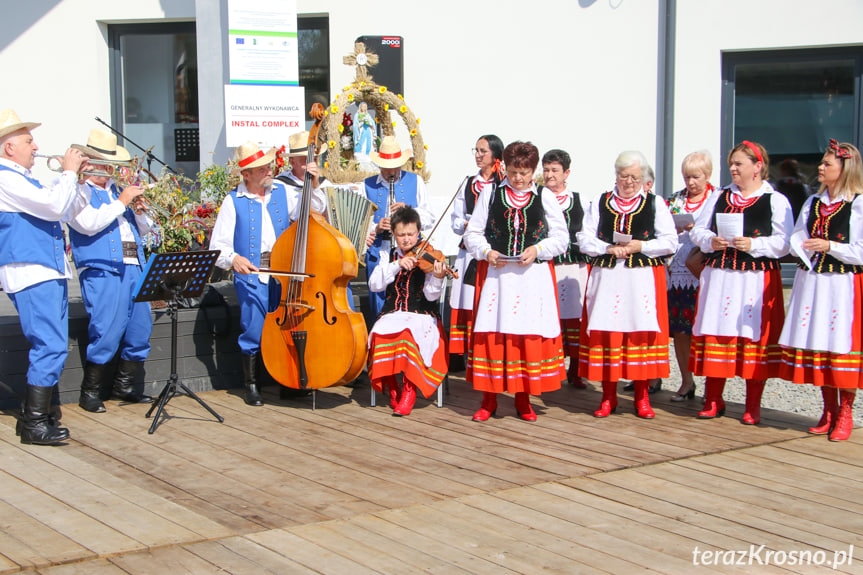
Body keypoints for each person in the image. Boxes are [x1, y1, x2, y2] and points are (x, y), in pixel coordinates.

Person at [209, 141, 327, 406]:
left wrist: (314, 185)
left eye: (268, 166)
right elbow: (218, 245)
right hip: (252, 273)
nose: (268, 171)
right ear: (246, 174)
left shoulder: (282, 191)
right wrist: (234, 259)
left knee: (287, 325)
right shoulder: (233, 201)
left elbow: (310, 212)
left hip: (284, 272)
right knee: (253, 327)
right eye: (261, 169)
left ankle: (287, 381)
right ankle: (252, 385)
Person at [0, 108, 89, 445]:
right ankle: (34, 421)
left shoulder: (22, 178)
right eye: (28, 140)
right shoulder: (5, 177)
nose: (35, 147)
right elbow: (53, 207)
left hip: (45, 268)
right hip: (30, 268)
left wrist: (75, 179)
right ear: (9, 148)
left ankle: (39, 414)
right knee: (49, 344)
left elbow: (68, 209)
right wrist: (67, 173)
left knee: (51, 342)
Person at [463, 141, 569, 422]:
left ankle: (524, 399)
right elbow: (472, 233)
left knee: (525, 336)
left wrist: (538, 250)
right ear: (505, 169)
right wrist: (486, 251)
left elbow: (561, 238)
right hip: (499, 278)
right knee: (495, 336)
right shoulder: (491, 193)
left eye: (524, 173)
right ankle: (489, 401)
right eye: (512, 172)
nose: (518, 179)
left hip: (532, 278)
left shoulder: (545, 197)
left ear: (533, 171)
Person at [689, 141, 793, 424]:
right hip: (721, 275)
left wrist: (754, 243)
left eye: (738, 163)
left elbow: (785, 243)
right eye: (731, 163)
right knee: (717, 330)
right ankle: (713, 399)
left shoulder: (775, 200)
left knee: (751, 337)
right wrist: (710, 240)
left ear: (757, 167)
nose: (733, 168)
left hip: (754, 278)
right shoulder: (720, 196)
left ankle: (753, 405)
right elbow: (697, 230)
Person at [577, 151, 678, 419]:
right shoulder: (600, 202)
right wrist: (608, 248)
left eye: (635, 177)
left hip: (641, 278)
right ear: (616, 176)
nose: (629, 182)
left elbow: (670, 241)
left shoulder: (655, 204)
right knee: (608, 335)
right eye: (624, 176)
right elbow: (584, 238)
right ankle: (608, 396)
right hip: (608, 277)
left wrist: (640, 245)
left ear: (643, 178)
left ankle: (642, 398)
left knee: (639, 334)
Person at [778, 140, 863, 441]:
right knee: (820, 343)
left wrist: (830, 246)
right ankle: (828, 410)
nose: (820, 168)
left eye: (827, 164)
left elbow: (861, 251)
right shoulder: (812, 201)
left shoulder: (858, 204)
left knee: (840, 345)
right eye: (822, 163)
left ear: (844, 169)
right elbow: (797, 236)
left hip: (841, 284)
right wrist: (799, 246)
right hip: (813, 280)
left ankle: (846, 412)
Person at [67, 129, 156, 413]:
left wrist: (141, 213)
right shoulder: (79, 192)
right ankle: (90, 391)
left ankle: (126, 386)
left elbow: (148, 235)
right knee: (106, 328)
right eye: (105, 164)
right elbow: (89, 224)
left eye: (111, 164)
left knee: (140, 327)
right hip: (103, 268)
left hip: (134, 265)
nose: (110, 170)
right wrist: (123, 202)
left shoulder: (118, 192)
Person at [367, 207, 448, 416]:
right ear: (393, 233)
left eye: (411, 234)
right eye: (401, 235)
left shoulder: (428, 256)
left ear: (419, 231)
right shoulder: (389, 255)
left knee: (406, 335)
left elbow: (431, 297)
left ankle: (409, 393)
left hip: (421, 315)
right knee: (378, 334)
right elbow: (374, 284)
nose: (406, 239)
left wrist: (438, 278)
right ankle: (392, 387)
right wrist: (396, 265)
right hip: (393, 313)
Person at [665, 150, 716, 402]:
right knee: (681, 330)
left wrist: (698, 229)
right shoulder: (674, 200)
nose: (690, 182)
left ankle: (713, 384)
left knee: (705, 330)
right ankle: (686, 381)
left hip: (704, 267)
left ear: (707, 175)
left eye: (695, 177)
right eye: (686, 177)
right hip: (678, 269)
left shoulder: (717, 199)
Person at [364, 135, 435, 317]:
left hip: (410, 248)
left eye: (395, 166)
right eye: (387, 167)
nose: (391, 171)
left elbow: (430, 217)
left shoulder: (416, 181)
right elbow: (359, 223)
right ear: (379, 165)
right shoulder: (366, 185)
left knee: (411, 295)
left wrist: (409, 211)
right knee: (379, 298)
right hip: (381, 249)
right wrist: (376, 227)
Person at [449, 134, 504, 357]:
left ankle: (491, 350)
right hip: (471, 250)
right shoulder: (469, 183)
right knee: (468, 297)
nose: (478, 155)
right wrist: (467, 223)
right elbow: (455, 219)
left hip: (495, 251)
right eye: (477, 151)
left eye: (483, 151)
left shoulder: (503, 184)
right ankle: (467, 353)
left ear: (496, 156)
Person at [542, 148, 590, 389]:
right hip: (547, 265)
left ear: (566, 173)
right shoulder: (536, 197)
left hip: (572, 266)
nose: (549, 175)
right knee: (549, 317)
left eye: (555, 170)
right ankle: (551, 368)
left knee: (575, 319)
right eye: (546, 169)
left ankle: (576, 369)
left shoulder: (579, 201)